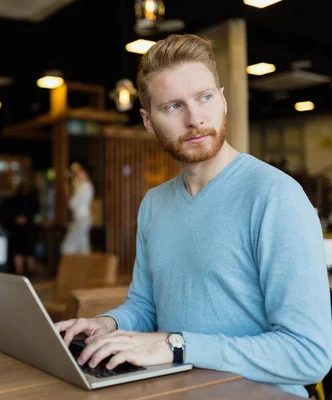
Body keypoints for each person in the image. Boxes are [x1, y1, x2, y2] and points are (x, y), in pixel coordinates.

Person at [55, 34, 332, 398]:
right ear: (148, 121)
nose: (195, 119)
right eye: (172, 106)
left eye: (204, 98)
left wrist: (176, 346)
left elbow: (309, 354)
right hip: (175, 389)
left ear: (223, 100)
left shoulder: (276, 197)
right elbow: (146, 305)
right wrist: (108, 324)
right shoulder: (154, 203)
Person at [2, 179, 39, 275]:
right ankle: (30, 271)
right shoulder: (32, 200)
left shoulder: (12, 200)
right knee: (28, 252)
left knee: (19, 252)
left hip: (18, 229)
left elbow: (6, 213)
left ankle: (20, 271)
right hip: (26, 229)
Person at [61, 161, 94, 254]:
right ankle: (85, 267)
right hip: (83, 218)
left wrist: (68, 193)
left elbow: (72, 204)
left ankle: (71, 266)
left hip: (81, 218)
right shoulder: (87, 186)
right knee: (83, 245)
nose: (78, 175)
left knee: (68, 246)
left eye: (80, 172)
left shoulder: (84, 186)